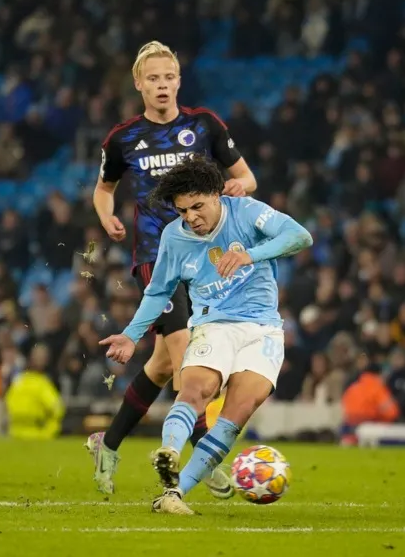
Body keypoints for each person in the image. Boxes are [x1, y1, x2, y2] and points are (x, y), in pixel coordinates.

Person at [86, 40, 257, 496]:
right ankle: (204, 455)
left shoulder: (204, 125)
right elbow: (104, 189)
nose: (162, 85)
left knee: (163, 365)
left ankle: (108, 441)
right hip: (156, 259)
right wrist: (107, 216)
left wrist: (239, 184)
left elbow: (247, 176)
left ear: (178, 81)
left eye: (169, 77)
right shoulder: (123, 138)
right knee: (186, 354)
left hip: (208, 260)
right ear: (139, 84)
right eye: (153, 79)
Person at [100, 155, 312, 515]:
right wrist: (131, 335)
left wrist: (251, 255)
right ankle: (168, 451)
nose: (191, 217)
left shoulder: (246, 212)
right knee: (197, 389)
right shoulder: (174, 237)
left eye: (197, 206)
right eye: (183, 211)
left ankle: (174, 494)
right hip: (214, 324)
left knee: (236, 414)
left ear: (217, 195)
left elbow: (300, 236)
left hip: (263, 331)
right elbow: (158, 292)